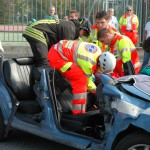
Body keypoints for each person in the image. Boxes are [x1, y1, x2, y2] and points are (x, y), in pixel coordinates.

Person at [47, 40, 116, 115]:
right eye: (101, 69)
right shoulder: (89, 62)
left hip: (58, 50)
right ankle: (78, 112)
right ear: (100, 63)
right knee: (81, 80)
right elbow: (88, 83)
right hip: (56, 58)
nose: (100, 71)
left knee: (81, 76)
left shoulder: (97, 50)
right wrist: (97, 92)